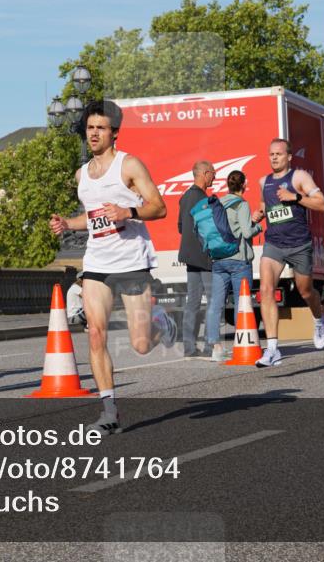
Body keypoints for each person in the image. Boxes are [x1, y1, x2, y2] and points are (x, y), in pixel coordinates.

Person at [50, 100, 169, 435]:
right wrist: (67, 224)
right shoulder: (82, 175)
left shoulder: (129, 165)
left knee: (141, 344)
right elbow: (92, 219)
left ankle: (162, 323)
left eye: (100, 128)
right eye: (90, 128)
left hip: (132, 262)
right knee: (96, 333)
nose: (94, 134)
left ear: (114, 133)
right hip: (98, 263)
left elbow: (159, 208)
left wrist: (128, 212)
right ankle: (109, 412)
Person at [255, 138, 324, 368]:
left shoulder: (299, 177)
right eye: (271, 154)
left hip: (299, 244)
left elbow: (322, 204)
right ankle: (273, 349)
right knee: (266, 290)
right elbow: (264, 205)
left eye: (278, 154)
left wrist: (295, 197)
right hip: (274, 244)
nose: (274, 157)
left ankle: (318, 320)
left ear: (289, 157)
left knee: (306, 292)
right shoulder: (263, 181)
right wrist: (259, 215)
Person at [202, 170, 263, 360]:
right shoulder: (241, 204)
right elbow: (246, 231)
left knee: (216, 304)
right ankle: (241, 341)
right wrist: (258, 226)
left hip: (219, 259)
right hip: (238, 260)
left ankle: (216, 347)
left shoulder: (218, 203)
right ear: (243, 185)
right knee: (241, 303)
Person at [178, 160, 215, 356]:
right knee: (213, 300)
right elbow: (209, 231)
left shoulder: (184, 197)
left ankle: (189, 348)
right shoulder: (204, 200)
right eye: (213, 174)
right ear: (205, 174)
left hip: (190, 256)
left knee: (192, 302)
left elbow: (180, 227)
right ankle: (210, 347)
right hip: (205, 256)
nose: (215, 177)